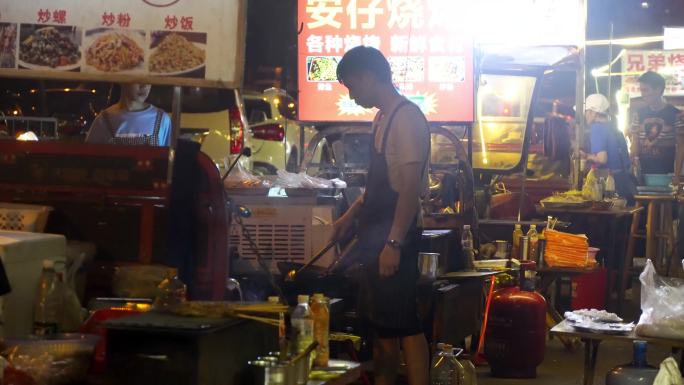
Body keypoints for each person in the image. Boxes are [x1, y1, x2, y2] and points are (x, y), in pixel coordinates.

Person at [331, 46, 429, 385]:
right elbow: (376, 187)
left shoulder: (407, 118)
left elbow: (409, 187)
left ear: (370, 77)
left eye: (352, 85)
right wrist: (347, 219)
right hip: (378, 238)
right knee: (383, 330)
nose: (352, 93)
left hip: (393, 238)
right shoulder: (382, 118)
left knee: (405, 325)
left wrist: (393, 242)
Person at [581, 93, 635, 203]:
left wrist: (586, 156)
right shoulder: (615, 129)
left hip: (612, 184)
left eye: (586, 112)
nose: (585, 115)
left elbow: (602, 159)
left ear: (592, 112)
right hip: (625, 182)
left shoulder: (598, 129)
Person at [629, 71, 681, 179]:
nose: (642, 94)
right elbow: (635, 143)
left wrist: (677, 175)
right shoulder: (638, 114)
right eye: (641, 90)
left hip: (668, 174)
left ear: (658, 89)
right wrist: (632, 162)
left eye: (645, 90)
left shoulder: (676, 114)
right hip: (642, 174)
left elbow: (681, 147)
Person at [86, 83, 171, 146]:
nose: (144, 86)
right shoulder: (103, 120)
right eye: (138, 79)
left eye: (149, 80)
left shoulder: (162, 119)